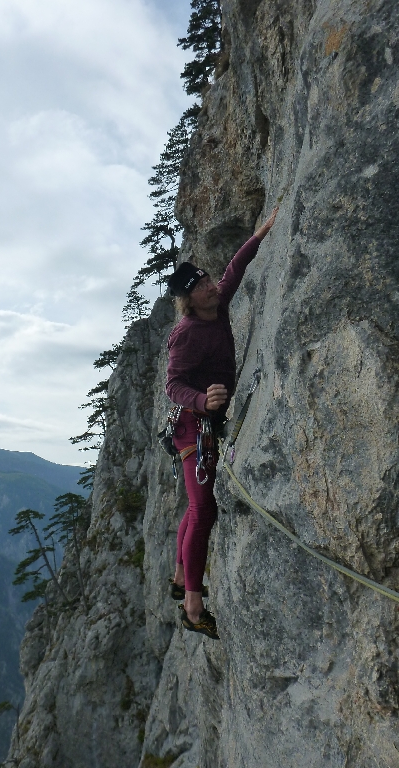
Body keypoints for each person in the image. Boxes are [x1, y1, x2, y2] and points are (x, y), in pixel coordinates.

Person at [165, 207, 279, 638]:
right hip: (192, 426)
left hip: (204, 424)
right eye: (201, 287)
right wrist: (202, 399)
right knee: (203, 509)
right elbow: (172, 384)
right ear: (189, 300)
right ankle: (193, 606)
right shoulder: (187, 333)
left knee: (196, 506)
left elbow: (235, 269)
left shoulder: (218, 303)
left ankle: (181, 577)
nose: (211, 287)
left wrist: (260, 233)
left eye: (208, 281)